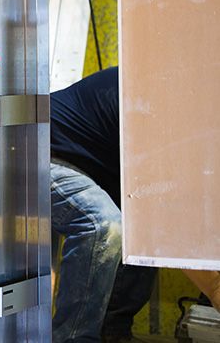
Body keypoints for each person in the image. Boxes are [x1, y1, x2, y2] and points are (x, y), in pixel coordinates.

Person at [50, 67, 158, 342]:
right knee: (101, 223)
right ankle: (74, 339)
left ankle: (113, 332)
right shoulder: (152, 99)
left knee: (143, 229)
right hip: (38, 152)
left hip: (91, 168)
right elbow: (177, 220)